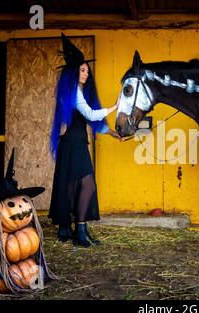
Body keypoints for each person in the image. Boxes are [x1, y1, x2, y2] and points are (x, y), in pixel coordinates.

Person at [49, 33, 122, 247]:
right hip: (72, 143)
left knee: (78, 186)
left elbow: (91, 121)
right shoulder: (72, 91)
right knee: (83, 185)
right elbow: (90, 115)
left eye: (87, 71)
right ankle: (77, 229)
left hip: (78, 142)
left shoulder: (80, 91)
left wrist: (111, 133)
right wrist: (114, 107)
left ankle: (79, 229)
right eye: (82, 70)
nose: (86, 74)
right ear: (73, 72)